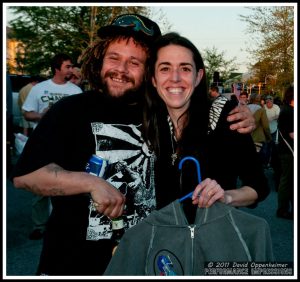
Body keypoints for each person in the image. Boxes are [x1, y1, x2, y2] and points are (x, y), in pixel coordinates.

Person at [12, 14, 255, 275]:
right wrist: (90, 183)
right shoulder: (70, 110)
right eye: (114, 57)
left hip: (146, 264)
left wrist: (240, 115)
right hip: (72, 265)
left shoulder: (166, 115)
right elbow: (25, 176)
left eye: (134, 62)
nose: (121, 70)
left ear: (148, 71)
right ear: (100, 59)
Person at [143, 32, 269, 223]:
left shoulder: (226, 118)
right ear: (153, 78)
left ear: (198, 76)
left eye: (185, 68)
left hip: (211, 242)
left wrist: (226, 197)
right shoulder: (143, 121)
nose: (175, 78)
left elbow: (258, 186)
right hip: (160, 243)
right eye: (165, 68)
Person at [22, 53, 83, 241]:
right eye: (68, 66)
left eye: (71, 66)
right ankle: (39, 225)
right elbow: (27, 114)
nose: (71, 70)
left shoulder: (76, 91)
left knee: (67, 185)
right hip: (44, 144)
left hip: (69, 146)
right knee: (41, 187)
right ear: (57, 68)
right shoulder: (39, 89)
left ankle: (64, 225)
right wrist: (44, 116)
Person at [276, 85, 294, 219]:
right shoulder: (288, 111)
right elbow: (292, 134)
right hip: (289, 151)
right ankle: (282, 209)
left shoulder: (287, 110)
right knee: (287, 180)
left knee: (289, 180)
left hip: (288, 150)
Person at [247, 93, 272, 164]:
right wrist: (269, 137)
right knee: (257, 160)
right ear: (260, 100)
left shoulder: (245, 108)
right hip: (257, 139)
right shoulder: (261, 110)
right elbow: (266, 126)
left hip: (246, 138)